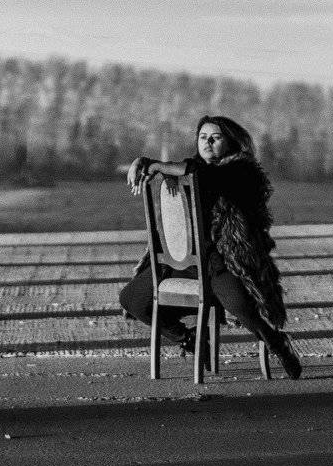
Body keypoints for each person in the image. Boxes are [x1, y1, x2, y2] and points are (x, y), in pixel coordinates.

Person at [119, 115, 303, 379]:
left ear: (230, 142)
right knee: (132, 300)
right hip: (181, 262)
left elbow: (203, 175)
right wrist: (143, 161)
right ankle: (190, 339)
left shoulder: (241, 171)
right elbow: (190, 170)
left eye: (215, 138)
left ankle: (278, 342)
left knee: (241, 306)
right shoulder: (187, 168)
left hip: (223, 261)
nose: (207, 143)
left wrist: (154, 164)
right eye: (203, 137)